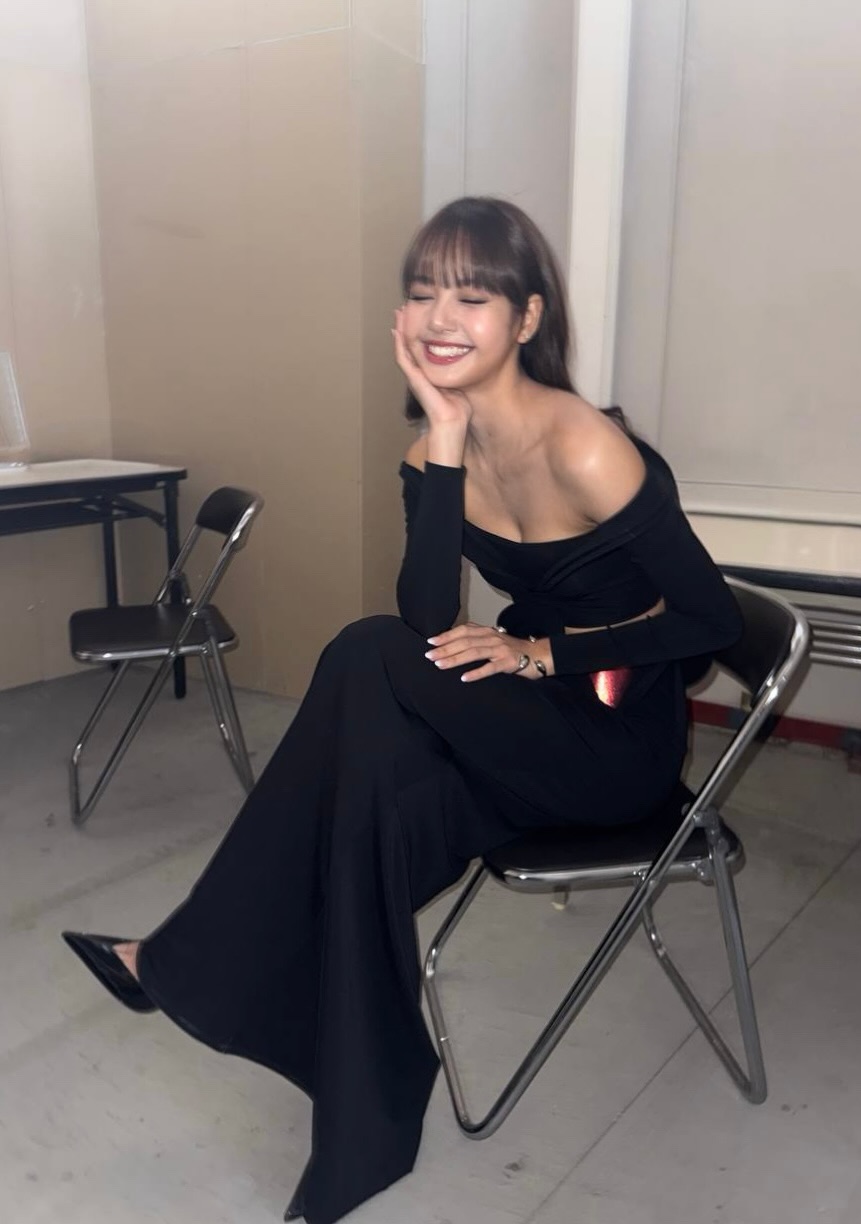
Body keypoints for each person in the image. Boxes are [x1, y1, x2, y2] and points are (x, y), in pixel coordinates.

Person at [62, 197, 742, 1224]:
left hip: (611, 746)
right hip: (520, 725)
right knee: (371, 804)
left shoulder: (586, 446)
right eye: (422, 294)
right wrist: (447, 434)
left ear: (527, 316)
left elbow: (709, 621)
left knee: (365, 651)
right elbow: (429, 615)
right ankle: (362, 1133)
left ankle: (183, 959)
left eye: (472, 296)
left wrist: (542, 650)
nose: (440, 317)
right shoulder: (438, 447)